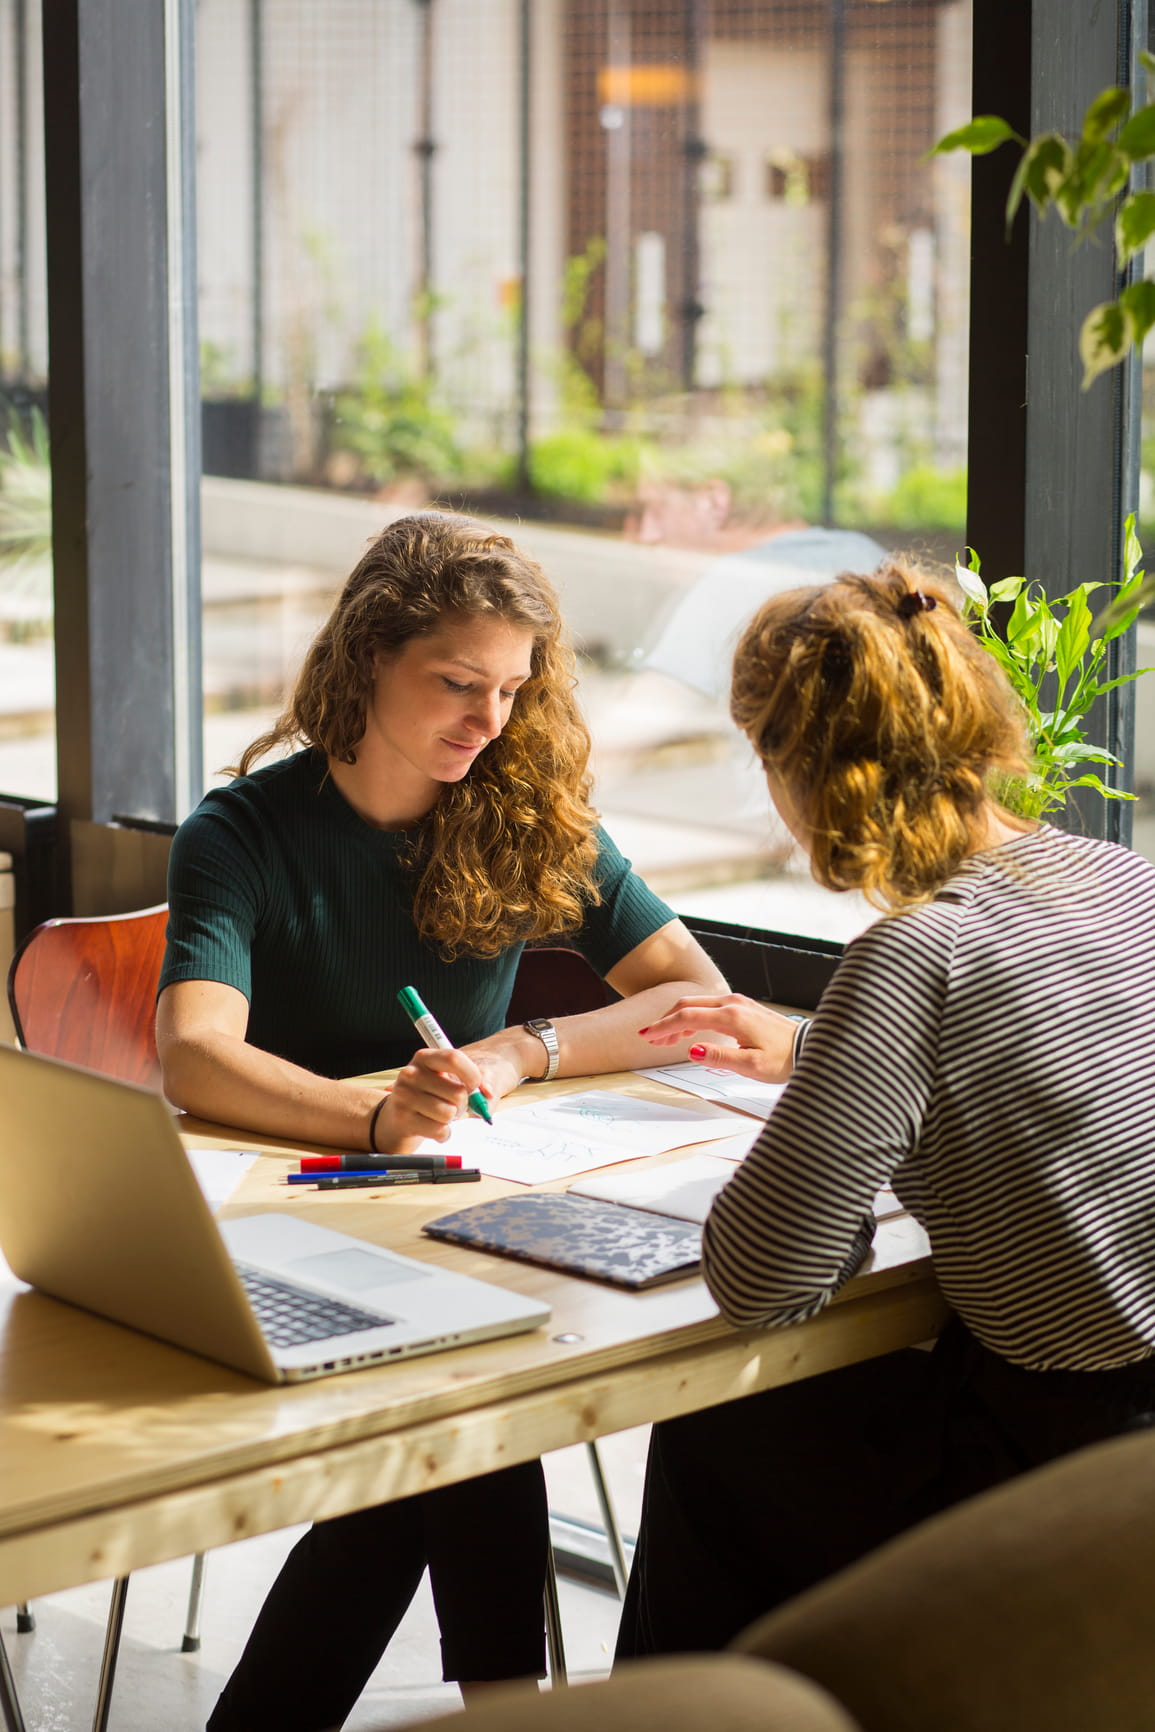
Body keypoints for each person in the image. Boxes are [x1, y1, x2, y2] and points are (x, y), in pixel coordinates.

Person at [154, 511, 726, 1730]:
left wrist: (524, 1047)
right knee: (474, 1404)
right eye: (459, 683)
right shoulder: (243, 832)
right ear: (370, 657)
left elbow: (698, 998)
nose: (492, 720)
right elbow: (196, 1051)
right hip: (290, 1215)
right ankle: (506, 1703)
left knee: (458, 1407)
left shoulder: (520, 813)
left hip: (451, 1219)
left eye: (514, 688)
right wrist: (374, 1115)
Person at [615, 560, 1155, 1660]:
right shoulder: (1122, 878)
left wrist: (823, 1107)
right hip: (1132, 1442)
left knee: (721, 1431)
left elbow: (766, 1277)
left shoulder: (916, 957)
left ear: (800, 774)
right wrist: (826, 1054)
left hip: (1057, 1468)